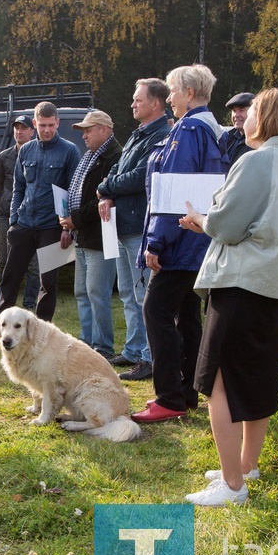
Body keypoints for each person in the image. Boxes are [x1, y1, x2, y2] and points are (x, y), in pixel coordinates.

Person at [179, 88, 278, 506]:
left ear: (267, 117)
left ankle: (232, 484)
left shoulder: (257, 160)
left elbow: (227, 224)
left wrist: (200, 219)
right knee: (258, 379)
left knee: (219, 382)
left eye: (251, 110)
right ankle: (246, 463)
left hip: (242, 284)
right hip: (277, 287)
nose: (243, 117)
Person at [131, 64, 226, 423]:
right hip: (198, 239)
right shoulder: (212, 128)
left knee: (155, 311)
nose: (168, 98)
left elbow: (176, 190)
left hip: (181, 242)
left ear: (189, 93)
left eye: (172, 91)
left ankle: (169, 396)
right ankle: (186, 392)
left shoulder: (187, 130)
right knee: (187, 316)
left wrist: (155, 242)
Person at [97, 78, 172, 380]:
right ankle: (133, 349)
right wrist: (108, 190)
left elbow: (140, 176)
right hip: (122, 224)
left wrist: (105, 188)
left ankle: (149, 358)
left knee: (143, 295)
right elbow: (117, 170)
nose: (132, 104)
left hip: (139, 224)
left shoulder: (161, 136)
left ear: (155, 104)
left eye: (138, 100)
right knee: (127, 292)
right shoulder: (137, 135)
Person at [0, 101, 81, 331]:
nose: (47, 130)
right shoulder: (27, 150)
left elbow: (74, 190)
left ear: (58, 123)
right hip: (24, 223)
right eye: (42, 125)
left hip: (53, 226)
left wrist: (67, 227)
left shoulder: (70, 151)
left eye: (51, 125)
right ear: (35, 123)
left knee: (48, 283)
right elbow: (17, 187)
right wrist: (13, 221)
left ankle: (42, 330)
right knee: (10, 278)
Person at [58, 110, 122, 360]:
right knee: (82, 293)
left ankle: (103, 348)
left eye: (88, 129)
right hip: (83, 236)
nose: (83, 135)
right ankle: (87, 344)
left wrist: (75, 219)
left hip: (100, 235)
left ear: (104, 130)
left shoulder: (114, 155)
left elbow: (104, 199)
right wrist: (69, 224)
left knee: (97, 293)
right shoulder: (89, 156)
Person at [0, 115, 40, 311]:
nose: (19, 131)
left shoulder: (39, 153)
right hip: (7, 216)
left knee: (34, 265)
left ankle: (30, 304)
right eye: (16, 128)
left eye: (24, 128)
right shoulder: (3, 157)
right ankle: (0, 301)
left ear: (32, 130)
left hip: (33, 217)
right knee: (3, 261)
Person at [219, 92, 254, 166]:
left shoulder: (257, 141)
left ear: (253, 113)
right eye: (234, 111)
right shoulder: (227, 138)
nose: (236, 115)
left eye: (241, 110)